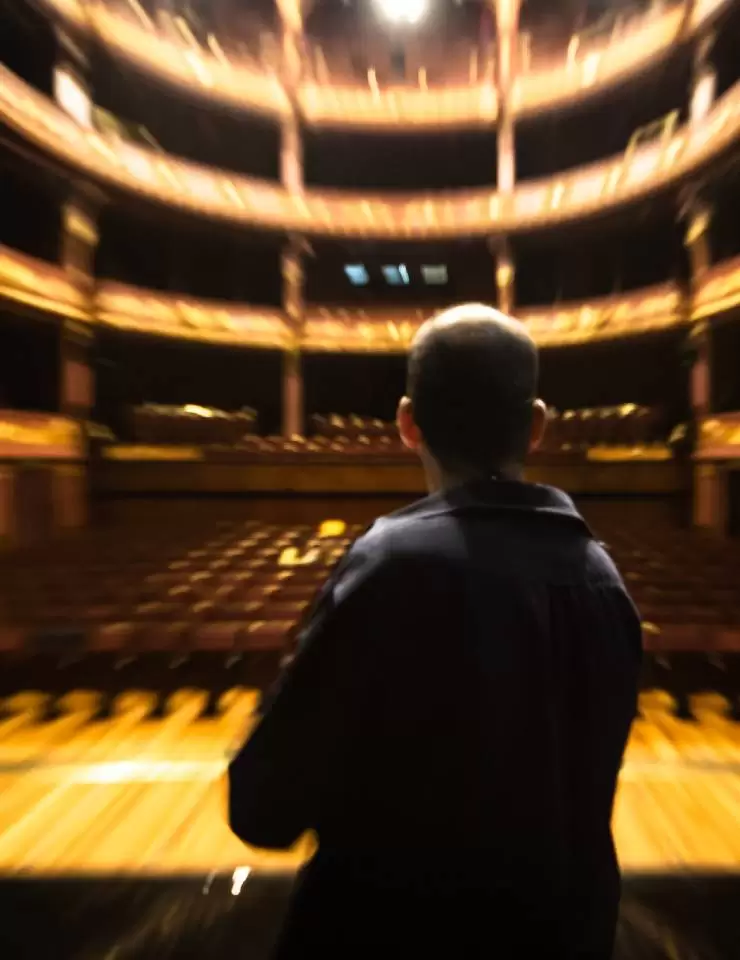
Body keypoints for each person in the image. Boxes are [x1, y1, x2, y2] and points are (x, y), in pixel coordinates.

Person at [228, 303, 642, 959]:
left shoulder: (387, 567)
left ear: (406, 422)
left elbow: (263, 808)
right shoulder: (604, 582)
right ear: (537, 425)